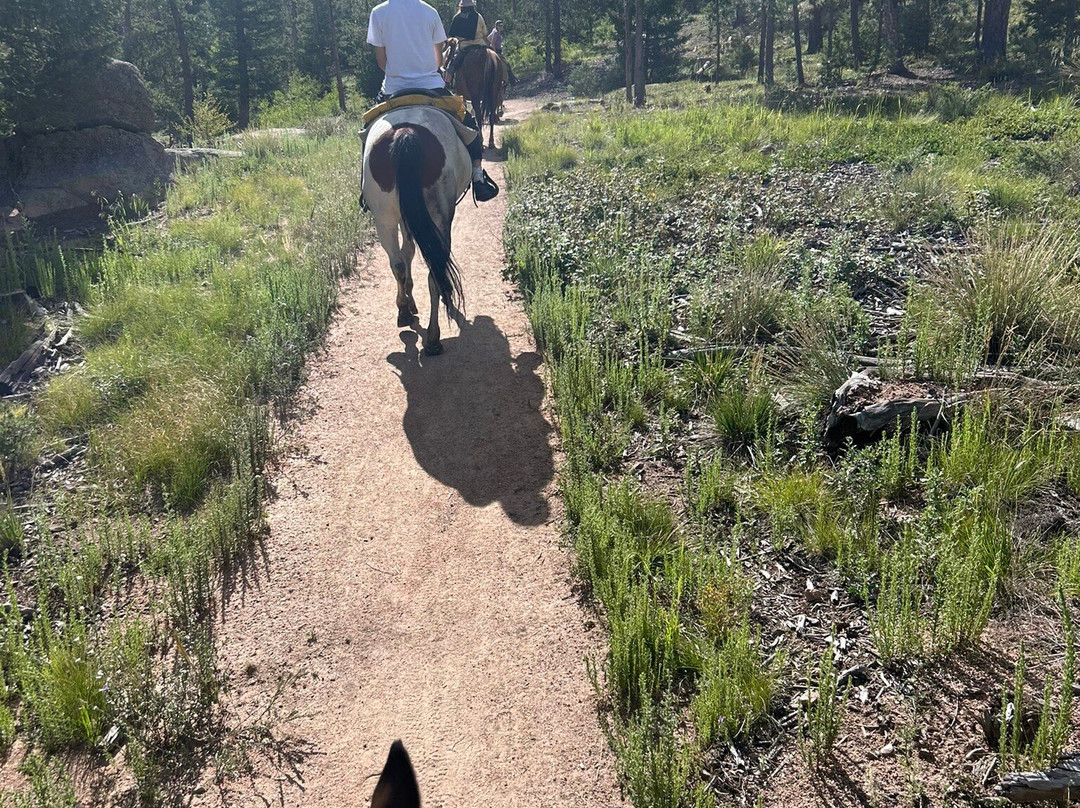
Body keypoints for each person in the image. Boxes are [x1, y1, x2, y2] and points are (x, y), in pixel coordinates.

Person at [366, 0, 498, 201]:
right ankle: (478, 176)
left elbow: (382, 63)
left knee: (367, 129)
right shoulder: (430, 11)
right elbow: (439, 61)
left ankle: (367, 190)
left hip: (393, 89)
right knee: (469, 125)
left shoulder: (378, 13)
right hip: (431, 86)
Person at [443, 0, 488, 86]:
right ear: (472, 6)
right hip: (480, 45)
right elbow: (484, 32)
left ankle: (447, 83)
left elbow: (452, 35)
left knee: (451, 66)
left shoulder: (457, 17)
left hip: (464, 47)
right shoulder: (478, 16)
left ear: (461, 6)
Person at [487, 20, 516, 85]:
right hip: (496, 51)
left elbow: (488, 38)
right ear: (497, 26)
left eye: (501, 25)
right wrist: (495, 52)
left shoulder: (494, 31)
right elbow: (493, 43)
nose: (501, 26)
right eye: (499, 25)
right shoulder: (496, 32)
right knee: (507, 64)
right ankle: (512, 80)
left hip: (497, 50)